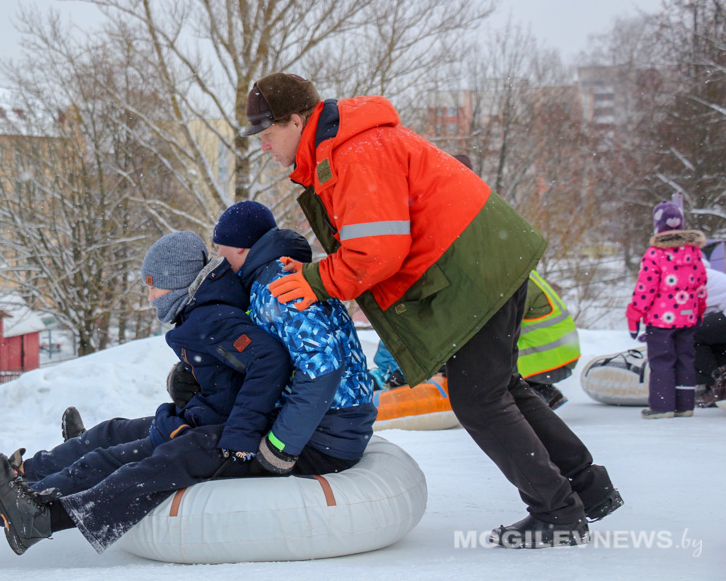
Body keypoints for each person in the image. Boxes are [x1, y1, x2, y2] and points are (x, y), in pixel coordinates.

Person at [240, 72, 622, 548]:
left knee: (480, 401)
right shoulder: (349, 145)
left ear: (297, 121)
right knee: (499, 389)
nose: (264, 146)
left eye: (268, 133)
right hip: (484, 264)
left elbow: (377, 251)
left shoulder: (355, 152)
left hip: (475, 273)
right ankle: (587, 488)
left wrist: (316, 281)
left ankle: (558, 513)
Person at [0, 231, 292, 555]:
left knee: (103, 462)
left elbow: (268, 360)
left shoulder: (211, 317)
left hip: (207, 429)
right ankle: (23, 473)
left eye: (153, 285)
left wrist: (240, 432)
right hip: (199, 418)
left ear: (179, 281)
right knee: (110, 434)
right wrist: (188, 379)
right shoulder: (204, 311)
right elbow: (232, 369)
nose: (150, 296)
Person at [211, 200, 376, 472]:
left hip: (327, 434)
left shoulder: (277, 287)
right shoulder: (274, 278)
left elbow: (323, 368)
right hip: (332, 424)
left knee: (206, 459)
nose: (217, 255)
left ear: (239, 245)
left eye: (219, 246)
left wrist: (280, 447)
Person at [370, 270, 581, 411]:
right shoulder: (519, 269)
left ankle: (528, 393)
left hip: (543, 358)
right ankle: (539, 391)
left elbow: (484, 328)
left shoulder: (507, 278)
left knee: (464, 363)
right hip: (555, 358)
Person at [626, 201, 707, 419]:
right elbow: (701, 284)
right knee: (685, 360)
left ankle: (663, 406)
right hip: (688, 318)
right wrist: (699, 310)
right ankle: (685, 405)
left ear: (658, 225)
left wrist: (634, 313)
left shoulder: (655, 254)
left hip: (661, 320)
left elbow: (646, 288)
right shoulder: (694, 252)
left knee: (662, 360)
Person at [694, 263, 726, 405]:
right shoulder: (699, 271)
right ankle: (717, 381)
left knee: (688, 336)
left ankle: (716, 383)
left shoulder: (688, 276)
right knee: (707, 339)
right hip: (721, 315)